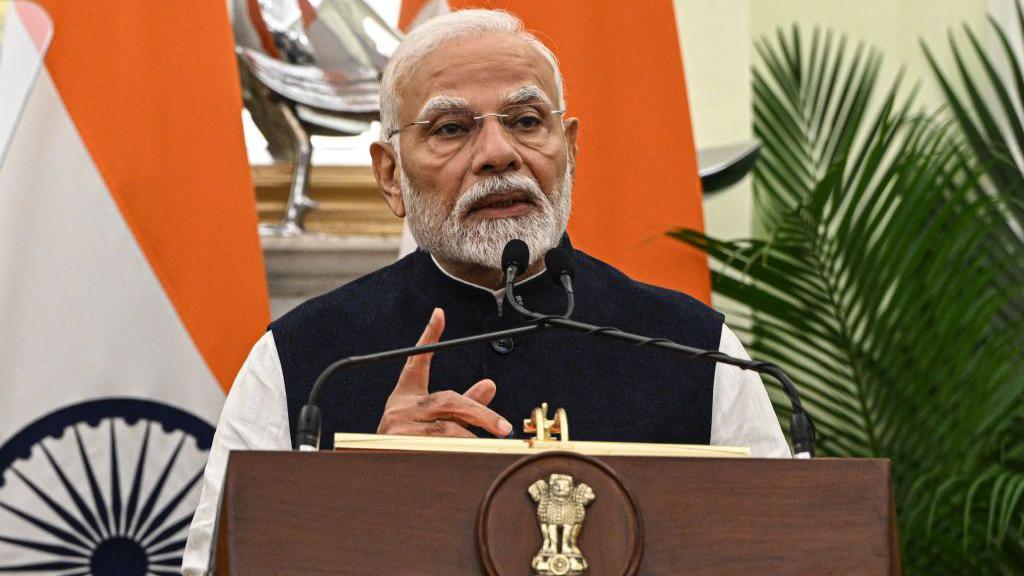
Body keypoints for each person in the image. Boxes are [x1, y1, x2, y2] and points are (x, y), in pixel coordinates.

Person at [182, 8, 788, 574]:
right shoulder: (304, 361)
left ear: (569, 150)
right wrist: (357, 498)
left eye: (527, 122)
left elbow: (783, 552)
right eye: (451, 128)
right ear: (391, 175)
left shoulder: (697, 349)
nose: (499, 154)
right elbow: (218, 564)